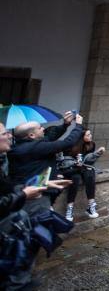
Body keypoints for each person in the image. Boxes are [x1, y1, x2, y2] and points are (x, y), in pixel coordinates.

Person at [1, 122, 71, 290]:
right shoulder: (25, 150)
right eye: (4, 134)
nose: (9, 135)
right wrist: (24, 194)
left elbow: (11, 186)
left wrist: (45, 183)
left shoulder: (4, 159)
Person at [8, 112, 85, 198]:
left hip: (29, 188)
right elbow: (68, 143)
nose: (43, 129)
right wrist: (78, 125)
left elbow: (50, 136)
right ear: (31, 135)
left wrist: (66, 124)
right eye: (40, 127)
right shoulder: (35, 147)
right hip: (37, 194)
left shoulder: (22, 145)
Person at [58, 129, 106, 221]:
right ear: (81, 137)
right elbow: (63, 161)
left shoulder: (91, 144)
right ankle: (70, 208)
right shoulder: (70, 145)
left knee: (90, 174)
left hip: (83, 168)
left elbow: (89, 161)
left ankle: (91, 205)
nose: (90, 136)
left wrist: (97, 154)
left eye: (90, 134)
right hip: (71, 169)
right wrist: (74, 163)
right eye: (88, 135)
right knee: (75, 178)